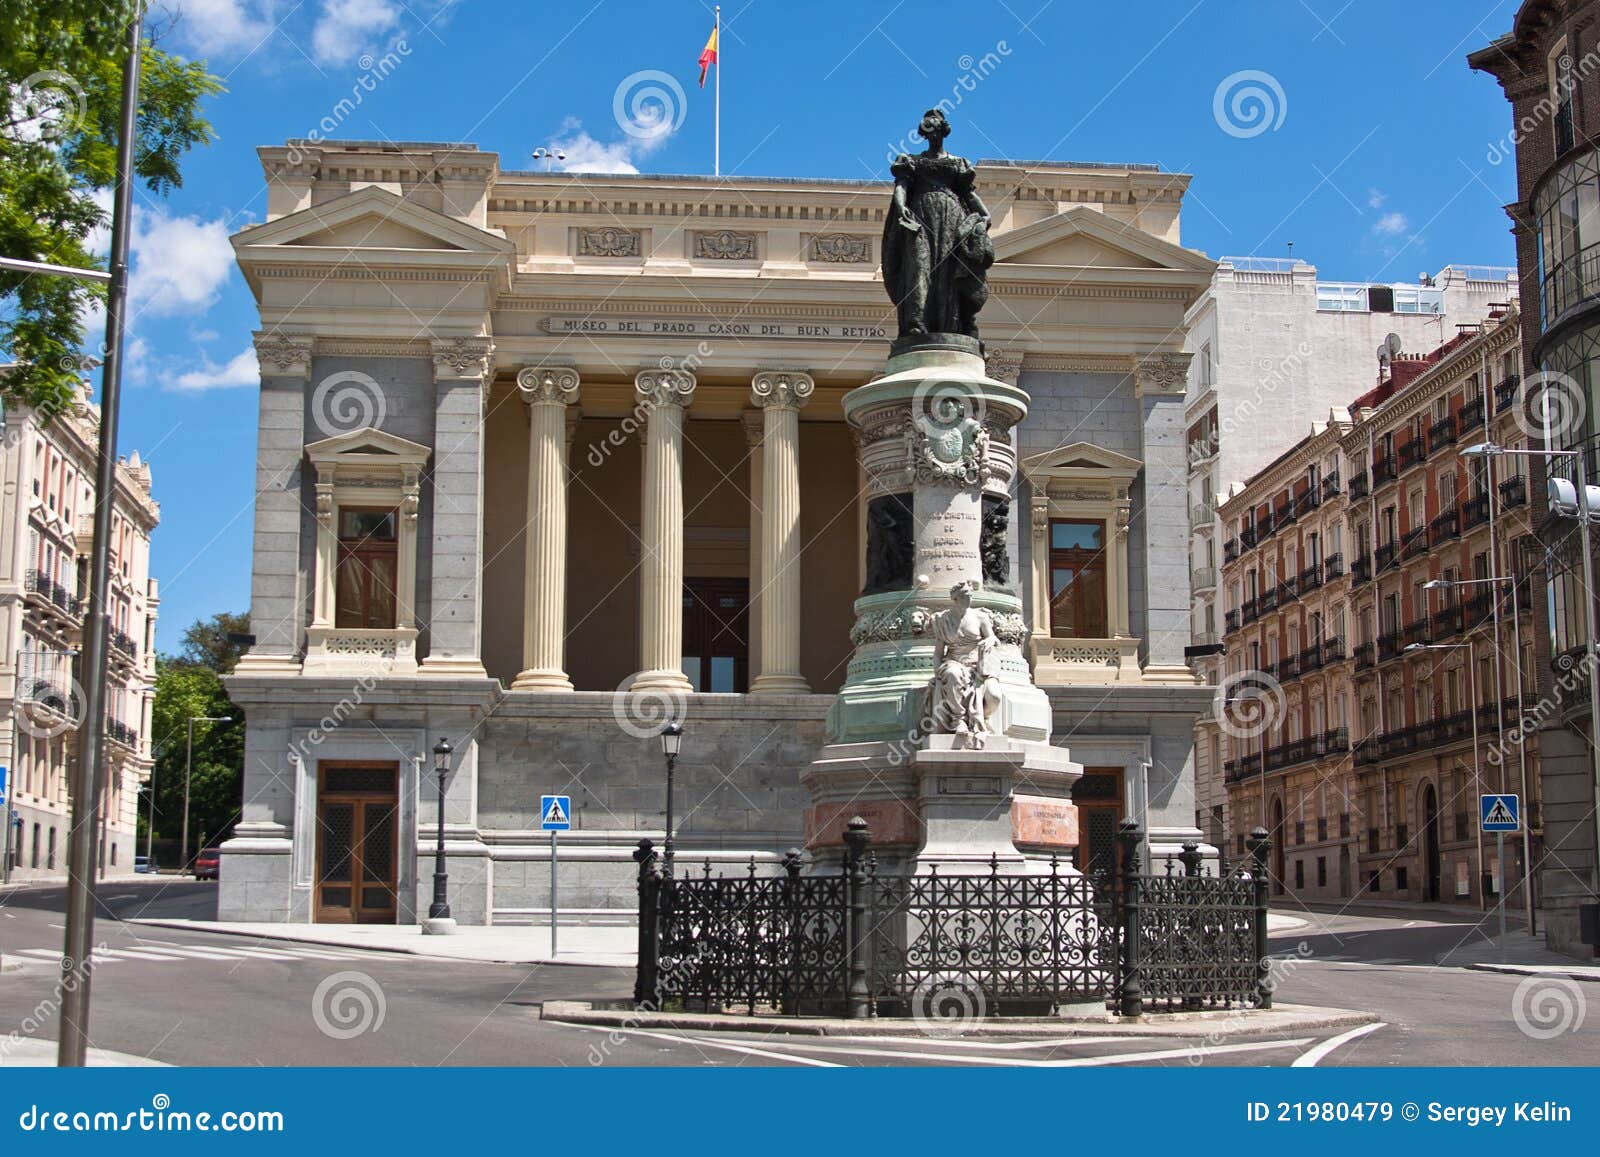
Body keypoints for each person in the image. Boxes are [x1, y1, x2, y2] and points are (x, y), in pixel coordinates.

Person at [882, 108, 994, 339]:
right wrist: (902, 207)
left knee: (948, 270)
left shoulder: (957, 163)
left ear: (943, 133)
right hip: (921, 217)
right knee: (918, 267)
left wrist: (984, 214)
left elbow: (968, 193)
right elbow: (901, 186)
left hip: (952, 219)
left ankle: (950, 324)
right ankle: (916, 321)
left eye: (936, 131)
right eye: (928, 132)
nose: (932, 136)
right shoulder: (912, 161)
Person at [925, 580, 1000, 745]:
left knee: (994, 697)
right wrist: (938, 672)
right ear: (956, 598)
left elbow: (992, 637)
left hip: (978, 664)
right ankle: (959, 720)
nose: (969, 599)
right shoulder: (943, 619)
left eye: (971, 595)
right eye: (965, 596)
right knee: (952, 673)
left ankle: (982, 718)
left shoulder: (980, 617)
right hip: (953, 662)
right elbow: (939, 652)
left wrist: (990, 640)